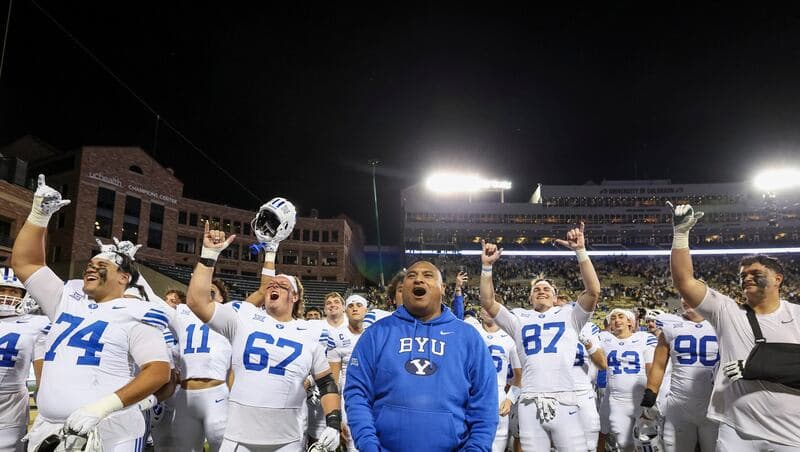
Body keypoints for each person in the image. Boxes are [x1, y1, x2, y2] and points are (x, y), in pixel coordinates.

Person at [12, 175, 171, 451]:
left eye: (102, 265)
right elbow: (25, 262)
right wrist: (39, 214)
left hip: (111, 430)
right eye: (90, 263)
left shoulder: (137, 311)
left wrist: (101, 408)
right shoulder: (66, 297)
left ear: (124, 278)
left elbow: (159, 371)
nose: (90, 267)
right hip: (50, 428)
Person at [187, 222, 341, 452]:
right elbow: (197, 302)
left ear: (295, 296)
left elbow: (327, 383)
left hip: (287, 439)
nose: (274, 286)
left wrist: (334, 423)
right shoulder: (245, 316)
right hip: (238, 436)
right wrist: (209, 255)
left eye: (282, 284)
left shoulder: (311, 331)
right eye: (271, 284)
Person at [669, 202, 800, 450]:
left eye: (755, 273)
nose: (746, 277)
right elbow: (684, 281)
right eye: (742, 275)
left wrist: (757, 367)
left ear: (777, 279)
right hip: (736, 430)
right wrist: (681, 234)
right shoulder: (727, 312)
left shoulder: (798, 316)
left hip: (791, 433)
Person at [344, 260, 498, 452]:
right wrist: (368, 446)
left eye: (427, 275)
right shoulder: (376, 334)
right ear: (403, 288)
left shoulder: (468, 337)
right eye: (411, 276)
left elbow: (486, 404)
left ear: (442, 288)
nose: (418, 280)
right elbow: (357, 394)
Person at [479, 223, 601, 452]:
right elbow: (488, 302)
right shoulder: (518, 318)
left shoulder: (570, 315)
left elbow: (593, 291)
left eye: (547, 289)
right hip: (529, 400)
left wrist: (580, 251)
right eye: (537, 289)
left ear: (556, 298)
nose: (542, 291)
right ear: (530, 298)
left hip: (565, 398)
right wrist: (487, 268)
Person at [156, 278, 232, 451]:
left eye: (211, 290)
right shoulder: (183, 315)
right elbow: (154, 301)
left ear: (221, 299)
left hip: (217, 393)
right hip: (184, 395)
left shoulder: (229, 316)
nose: (205, 292)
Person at [639, 299, 719, 452]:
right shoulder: (670, 325)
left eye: (691, 295)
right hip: (679, 405)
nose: (686, 299)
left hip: (715, 405)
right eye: (683, 295)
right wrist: (650, 395)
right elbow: (659, 365)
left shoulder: (721, 324)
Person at [0, 268, 49, 452]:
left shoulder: (37, 324)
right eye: (2, 290)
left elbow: (42, 376)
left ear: (24, 295)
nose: (6, 296)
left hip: (8, 411)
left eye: (13, 291)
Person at [597, 308, 657, 452]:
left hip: (641, 398)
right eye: (613, 318)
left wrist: (652, 395)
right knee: (624, 444)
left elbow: (652, 368)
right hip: (617, 400)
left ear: (630, 321)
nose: (616, 320)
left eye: (620, 317)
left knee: (648, 444)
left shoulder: (644, 338)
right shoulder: (604, 338)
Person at [470, 304, 522, 452]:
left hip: (498, 394)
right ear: (480, 311)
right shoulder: (471, 330)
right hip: (472, 394)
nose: (488, 311)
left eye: (491, 308)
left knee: (497, 446)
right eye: (484, 308)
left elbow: (520, 375)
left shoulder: (510, 339)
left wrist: (510, 398)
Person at [328, 294, 368, 452]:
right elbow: (332, 380)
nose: (355, 308)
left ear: (366, 310)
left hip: (373, 395)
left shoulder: (374, 334)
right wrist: (336, 417)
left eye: (359, 305)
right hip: (348, 396)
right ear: (345, 311)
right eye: (351, 305)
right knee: (352, 442)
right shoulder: (337, 336)